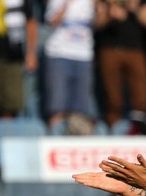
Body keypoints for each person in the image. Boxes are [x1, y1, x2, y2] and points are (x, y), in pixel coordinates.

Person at [94, 0, 146, 135]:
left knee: (140, 98)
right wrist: (110, 13)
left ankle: (139, 132)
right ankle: (114, 131)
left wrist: (133, 8)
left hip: (135, 49)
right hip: (109, 49)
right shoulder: (106, 2)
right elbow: (97, 23)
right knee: (113, 99)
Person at [43, 0, 96, 131]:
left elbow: (99, 24)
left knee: (81, 111)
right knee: (57, 107)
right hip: (59, 54)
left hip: (84, 56)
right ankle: (54, 142)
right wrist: (66, 5)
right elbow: (51, 21)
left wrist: (99, 8)